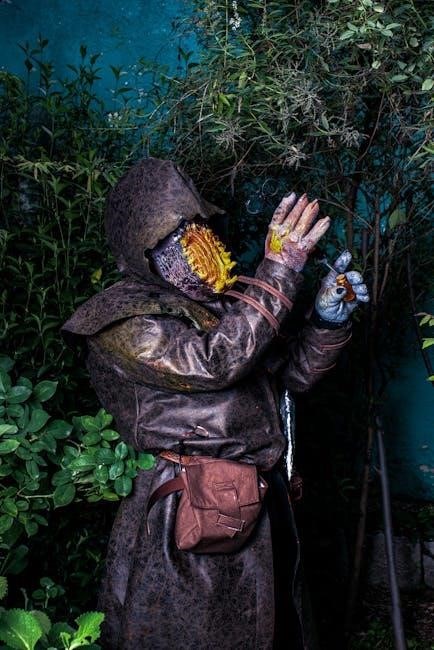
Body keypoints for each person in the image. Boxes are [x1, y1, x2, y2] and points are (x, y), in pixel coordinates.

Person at [62, 158, 369, 650]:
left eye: (200, 230)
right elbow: (215, 363)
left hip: (260, 498)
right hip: (188, 508)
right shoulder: (124, 321)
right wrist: (280, 270)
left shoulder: (226, 305)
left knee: (271, 630)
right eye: (180, 239)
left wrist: (326, 323)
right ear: (143, 252)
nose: (199, 246)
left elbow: (290, 376)